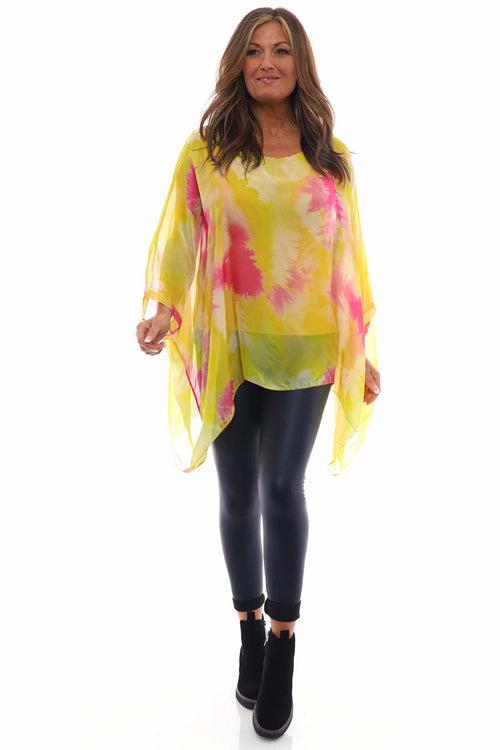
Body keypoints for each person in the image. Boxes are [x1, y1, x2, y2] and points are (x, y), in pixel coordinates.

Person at [136, 6, 380, 740]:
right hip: (229, 342)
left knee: (282, 488)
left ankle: (282, 644)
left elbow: (348, 261)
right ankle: (247, 625)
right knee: (238, 493)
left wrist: (361, 353)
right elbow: (181, 237)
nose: (266, 62)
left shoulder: (329, 157)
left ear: (300, 64)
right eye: (253, 51)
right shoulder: (207, 151)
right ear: (238, 64)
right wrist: (162, 309)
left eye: (280, 50)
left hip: (306, 345)